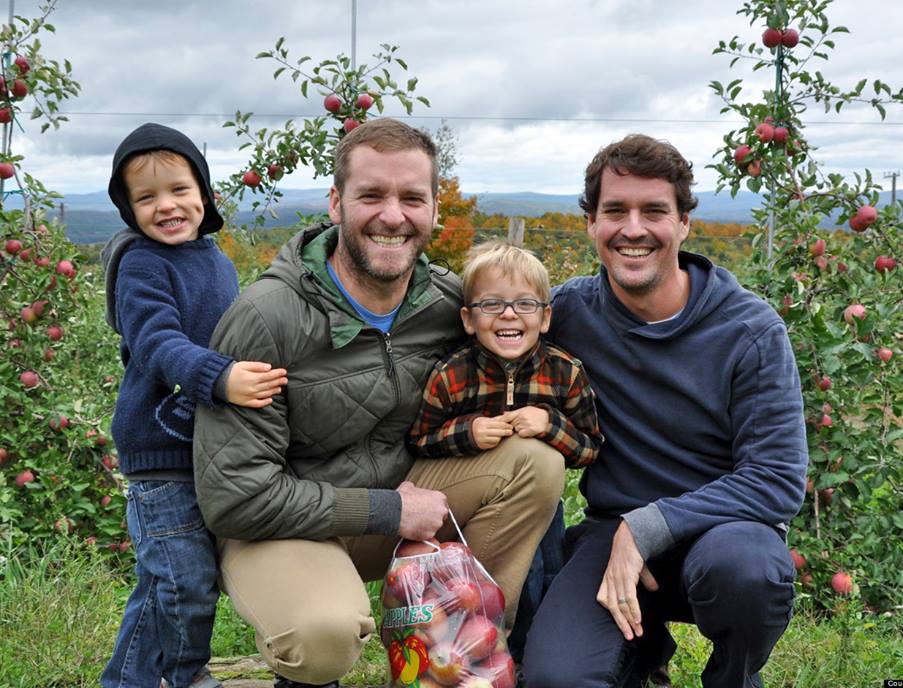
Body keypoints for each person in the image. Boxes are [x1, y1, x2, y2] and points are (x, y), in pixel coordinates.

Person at [192, 118, 566, 688]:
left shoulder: (448, 306)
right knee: (323, 634)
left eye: (412, 198)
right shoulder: (267, 319)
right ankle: (308, 665)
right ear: (336, 203)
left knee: (534, 463)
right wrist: (388, 510)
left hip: (405, 507)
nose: (393, 216)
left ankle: (457, 658)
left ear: (434, 210)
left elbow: (528, 342)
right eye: (371, 195)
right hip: (284, 528)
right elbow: (236, 497)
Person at [522, 134, 808, 688]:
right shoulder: (568, 313)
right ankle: (643, 648)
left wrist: (648, 526)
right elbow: (486, 324)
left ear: (683, 223)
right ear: (591, 223)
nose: (633, 229)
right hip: (612, 537)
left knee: (748, 572)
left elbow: (776, 479)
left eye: (654, 211)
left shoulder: (749, 330)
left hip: (725, 535)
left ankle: (732, 679)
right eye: (615, 211)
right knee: (557, 678)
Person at [100, 123, 288, 688]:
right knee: (186, 583)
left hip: (208, 450)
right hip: (161, 454)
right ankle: (186, 676)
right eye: (146, 197)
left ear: (204, 193)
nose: (166, 206)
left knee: (164, 583)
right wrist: (219, 377)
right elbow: (155, 343)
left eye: (179, 189)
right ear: (129, 209)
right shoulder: (141, 265)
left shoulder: (215, 260)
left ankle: (128, 680)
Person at [407, 240, 604, 664]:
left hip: (541, 501)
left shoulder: (564, 373)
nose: (509, 314)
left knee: (545, 573)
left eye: (525, 304)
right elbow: (419, 440)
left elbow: (590, 448)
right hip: (475, 499)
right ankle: (489, 653)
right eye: (491, 304)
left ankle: (539, 655)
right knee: (492, 576)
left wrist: (550, 425)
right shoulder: (452, 375)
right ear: (468, 319)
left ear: (545, 317)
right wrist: (467, 432)